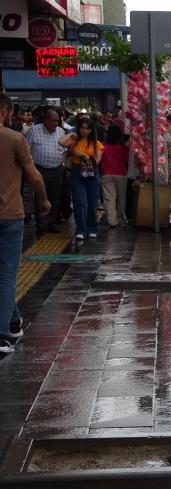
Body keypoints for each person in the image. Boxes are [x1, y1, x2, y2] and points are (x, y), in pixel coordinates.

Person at [0, 93, 51, 355]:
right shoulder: (14, 138)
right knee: (7, 274)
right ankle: (2, 332)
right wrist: (43, 201)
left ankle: (12, 319)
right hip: (9, 216)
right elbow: (34, 176)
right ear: (4, 111)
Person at [59, 117, 104, 241]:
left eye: (87, 128)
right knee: (80, 202)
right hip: (77, 171)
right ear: (78, 128)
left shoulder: (97, 143)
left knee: (92, 202)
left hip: (92, 173)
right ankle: (81, 229)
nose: (85, 131)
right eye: (82, 128)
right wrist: (72, 134)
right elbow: (61, 142)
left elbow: (98, 160)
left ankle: (92, 229)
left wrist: (84, 156)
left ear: (91, 130)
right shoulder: (74, 140)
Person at [24, 108, 66, 234]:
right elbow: (26, 149)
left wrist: (62, 163)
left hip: (56, 169)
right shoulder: (34, 130)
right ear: (46, 120)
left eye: (57, 121)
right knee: (40, 196)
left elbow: (65, 150)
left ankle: (51, 222)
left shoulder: (60, 131)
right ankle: (41, 223)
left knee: (54, 196)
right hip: (39, 169)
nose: (55, 123)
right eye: (53, 121)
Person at [100, 125, 129, 227]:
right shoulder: (123, 147)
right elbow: (126, 161)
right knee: (121, 198)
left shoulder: (103, 146)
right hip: (121, 174)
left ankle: (112, 220)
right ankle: (119, 218)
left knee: (109, 198)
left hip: (106, 173)